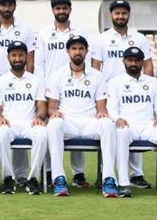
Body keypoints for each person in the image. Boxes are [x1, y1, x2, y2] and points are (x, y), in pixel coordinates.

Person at [91, 0, 154, 189]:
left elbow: (148, 64)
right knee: (109, 132)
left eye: (123, 13)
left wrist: (145, 86)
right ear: (111, 15)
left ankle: (136, 175)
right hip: (110, 94)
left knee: (133, 127)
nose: (120, 16)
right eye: (117, 13)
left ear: (128, 15)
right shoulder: (102, 39)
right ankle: (105, 173)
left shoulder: (139, 38)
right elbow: (95, 67)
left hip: (134, 91)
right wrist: (98, 96)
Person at [45, 35, 118, 197]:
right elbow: (51, 107)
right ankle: (59, 178)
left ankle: (108, 179)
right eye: (74, 48)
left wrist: (102, 113)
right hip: (68, 122)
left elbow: (101, 107)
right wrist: (54, 113)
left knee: (107, 124)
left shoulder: (97, 76)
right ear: (68, 51)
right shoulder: (57, 75)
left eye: (80, 48)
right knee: (54, 124)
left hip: (89, 122)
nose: (77, 52)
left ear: (86, 51)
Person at [35, 0, 89, 187]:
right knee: (52, 130)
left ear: (70, 9)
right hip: (51, 89)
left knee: (78, 128)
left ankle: (79, 174)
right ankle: (50, 172)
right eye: (58, 8)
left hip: (74, 85)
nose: (61, 11)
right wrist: (41, 91)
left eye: (64, 8)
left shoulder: (80, 32)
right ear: (53, 10)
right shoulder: (43, 33)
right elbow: (39, 64)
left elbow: (85, 61)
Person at [0, 0, 36, 187]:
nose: (6, 8)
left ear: (14, 6)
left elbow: (29, 58)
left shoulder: (26, 29)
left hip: (22, 81)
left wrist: (27, 79)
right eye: (3, 5)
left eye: (9, 4)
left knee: (21, 122)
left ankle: (21, 174)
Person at [107, 46, 157, 198]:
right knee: (121, 133)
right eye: (130, 60)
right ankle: (123, 184)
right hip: (127, 125)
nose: (133, 63)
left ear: (142, 62)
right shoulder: (115, 82)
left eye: (137, 60)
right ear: (124, 61)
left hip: (147, 126)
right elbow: (111, 107)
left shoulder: (153, 82)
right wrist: (117, 118)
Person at [0, 41, 47, 195]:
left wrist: (39, 117)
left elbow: (42, 106)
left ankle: (33, 179)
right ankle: (8, 178)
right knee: (0, 133)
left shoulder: (36, 80)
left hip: (30, 123)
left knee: (42, 134)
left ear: (26, 57)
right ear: (8, 57)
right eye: (14, 55)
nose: (17, 58)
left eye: (20, 55)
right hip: (9, 124)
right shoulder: (0, 81)